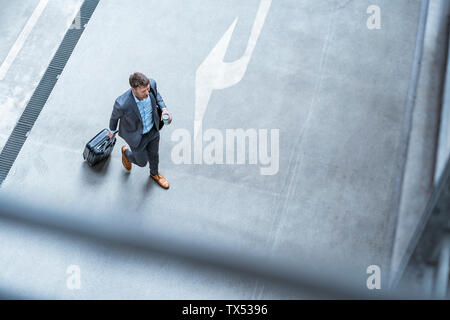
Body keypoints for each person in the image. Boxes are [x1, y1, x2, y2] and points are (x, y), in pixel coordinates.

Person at [108, 72, 172, 189]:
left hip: (153, 130)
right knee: (142, 162)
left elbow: (157, 95)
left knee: (154, 155)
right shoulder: (122, 104)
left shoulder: (151, 85)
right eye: (144, 91)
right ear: (134, 90)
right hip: (136, 136)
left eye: (148, 89)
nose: (148, 93)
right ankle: (126, 154)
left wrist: (164, 109)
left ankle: (154, 174)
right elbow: (114, 117)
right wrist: (112, 131)